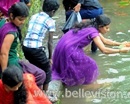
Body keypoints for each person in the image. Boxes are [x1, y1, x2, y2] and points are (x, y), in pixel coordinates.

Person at [51, 14, 130, 86]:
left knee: (81, 64)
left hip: (62, 45)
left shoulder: (91, 25)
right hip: (69, 49)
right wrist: (120, 51)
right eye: (107, 28)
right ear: (100, 26)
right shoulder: (93, 32)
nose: (108, 30)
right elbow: (104, 50)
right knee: (91, 65)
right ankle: (88, 85)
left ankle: (81, 82)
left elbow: (105, 41)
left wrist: (120, 44)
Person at [0, 2, 45, 88]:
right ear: (12, 16)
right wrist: (5, 74)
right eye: (20, 19)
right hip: (10, 61)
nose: (23, 22)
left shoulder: (3, 21)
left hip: (12, 56)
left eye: (24, 19)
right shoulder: (11, 33)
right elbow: (3, 54)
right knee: (40, 75)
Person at [22, 0, 60, 90]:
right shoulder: (50, 21)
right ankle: (44, 94)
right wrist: (50, 58)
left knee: (35, 67)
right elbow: (50, 42)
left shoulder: (34, 16)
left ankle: (34, 88)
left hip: (25, 47)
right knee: (47, 69)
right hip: (35, 49)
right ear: (53, 11)